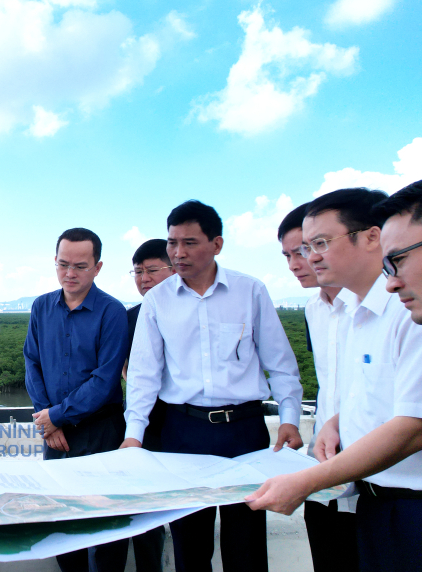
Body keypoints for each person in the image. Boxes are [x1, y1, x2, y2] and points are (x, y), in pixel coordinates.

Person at [121, 200, 304, 572]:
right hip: (183, 432)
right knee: (189, 544)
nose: (178, 252)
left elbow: (281, 364)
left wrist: (290, 419)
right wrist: (133, 436)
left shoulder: (250, 291)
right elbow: (143, 375)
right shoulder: (158, 301)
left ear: (217, 244)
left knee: (246, 545)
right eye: (173, 243)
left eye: (189, 243)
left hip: (245, 430)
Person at [247, 186, 422, 572]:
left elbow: (413, 426)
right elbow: (371, 391)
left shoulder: (408, 310)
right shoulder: (355, 311)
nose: (308, 258)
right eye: (303, 248)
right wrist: (337, 421)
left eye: (320, 243)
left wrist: (307, 480)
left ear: (371, 237)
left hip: (407, 500)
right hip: (366, 493)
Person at [23, 227, 130, 572]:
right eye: (63, 264)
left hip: (101, 430)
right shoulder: (41, 307)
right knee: (62, 520)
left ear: (97, 267)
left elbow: (105, 379)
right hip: (54, 432)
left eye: (80, 266)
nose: (70, 273)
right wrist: (47, 418)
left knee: (106, 523)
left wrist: (57, 416)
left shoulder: (112, 312)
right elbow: (32, 362)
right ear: (55, 262)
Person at [276, 203, 358, 572]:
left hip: (379, 475)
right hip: (323, 473)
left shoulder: (388, 305)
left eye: (306, 249)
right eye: (289, 255)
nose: (297, 263)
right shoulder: (313, 309)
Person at [105, 238, 176, 572]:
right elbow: (122, 366)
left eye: (151, 270)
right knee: (146, 505)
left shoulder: (188, 309)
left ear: (173, 269)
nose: (144, 279)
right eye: (138, 272)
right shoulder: (129, 316)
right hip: (141, 423)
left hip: (184, 421)